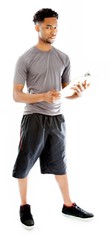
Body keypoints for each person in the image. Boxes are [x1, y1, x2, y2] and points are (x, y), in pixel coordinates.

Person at [12, 8, 94, 230]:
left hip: (57, 118)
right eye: (48, 26)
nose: (53, 31)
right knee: (24, 164)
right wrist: (43, 96)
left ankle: (68, 205)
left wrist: (79, 92)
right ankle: (24, 207)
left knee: (60, 163)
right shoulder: (25, 59)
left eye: (55, 26)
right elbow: (17, 95)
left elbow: (67, 92)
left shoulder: (63, 57)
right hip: (34, 117)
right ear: (37, 26)